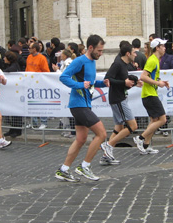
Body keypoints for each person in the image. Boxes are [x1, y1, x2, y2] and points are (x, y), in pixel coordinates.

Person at [56, 34, 110, 182]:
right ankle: (84, 166)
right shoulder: (80, 61)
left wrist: (102, 83)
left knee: (81, 139)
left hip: (84, 104)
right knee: (102, 134)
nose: (101, 53)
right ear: (90, 48)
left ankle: (64, 170)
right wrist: (80, 85)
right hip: (78, 105)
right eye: (99, 50)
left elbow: (90, 83)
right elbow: (63, 77)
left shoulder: (92, 62)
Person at [100, 41, 142, 165]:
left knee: (119, 128)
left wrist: (134, 83)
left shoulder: (125, 64)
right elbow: (107, 78)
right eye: (134, 52)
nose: (136, 54)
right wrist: (124, 83)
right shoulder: (118, 64)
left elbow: (123, 81)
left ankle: (105, 156)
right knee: (133, 126)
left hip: (119, 97)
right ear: (128, 53)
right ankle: (108, 145)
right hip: (118, 99)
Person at [133, 38, 170, 154]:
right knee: (162, 119)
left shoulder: (155, 60)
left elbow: (152, 77)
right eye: (163, 46)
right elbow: (143, 76)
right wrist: (158, 83)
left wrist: (161, 81)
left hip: (150, 94)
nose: (165, 48)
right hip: (149, 95)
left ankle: (146, 145)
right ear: (157, 48)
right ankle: (140, 138)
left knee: (154, 120)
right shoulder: (152, 60)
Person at [26, 42, 50, 129]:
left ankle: (44, 122)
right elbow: (27, 69)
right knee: (31, 103)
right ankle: (34, 122)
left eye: (30, 48)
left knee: (41, 102)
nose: (28, 49)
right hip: (30, 83)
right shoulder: (29, 57)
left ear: (34, 49)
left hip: (39, 83)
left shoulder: (42, 58)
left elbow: (46, 71)